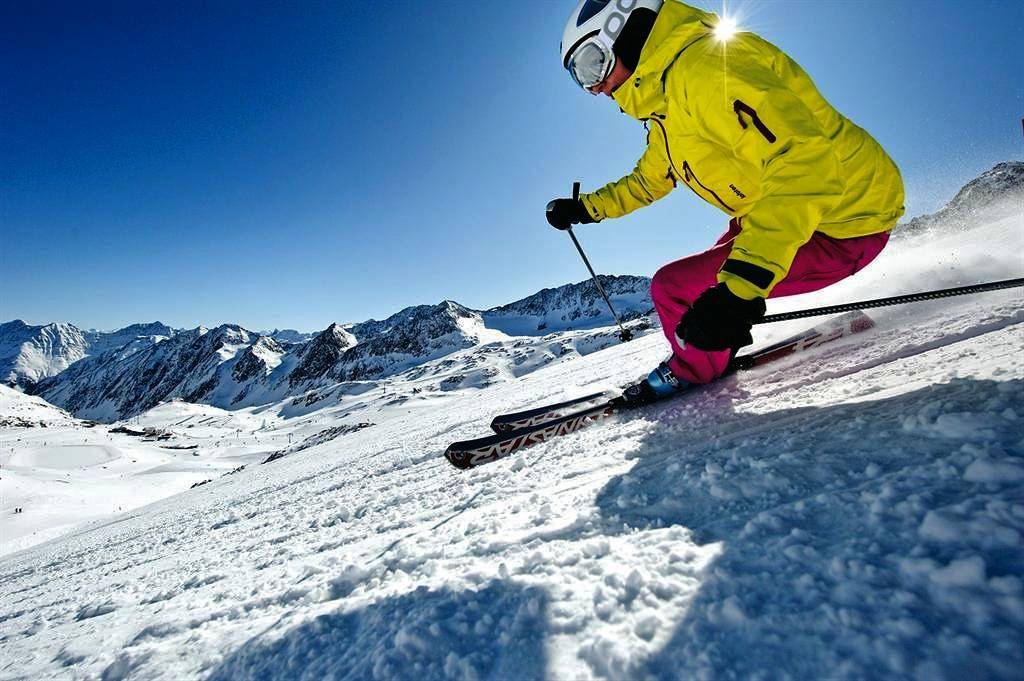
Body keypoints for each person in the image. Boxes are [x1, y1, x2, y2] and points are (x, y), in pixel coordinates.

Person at [547, 0, 904, 405]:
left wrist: (738, 292)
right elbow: (647, 181)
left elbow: (804, 159)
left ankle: (695, 367)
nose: (593, 87)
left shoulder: (706, 70)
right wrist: (586, 208)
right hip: (799, 207)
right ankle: (709, 347)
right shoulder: (667, 111)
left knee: (673, 287)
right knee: (708, 273)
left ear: (627, 32)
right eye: (580, 78)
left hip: (846, 221)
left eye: (592, 64)